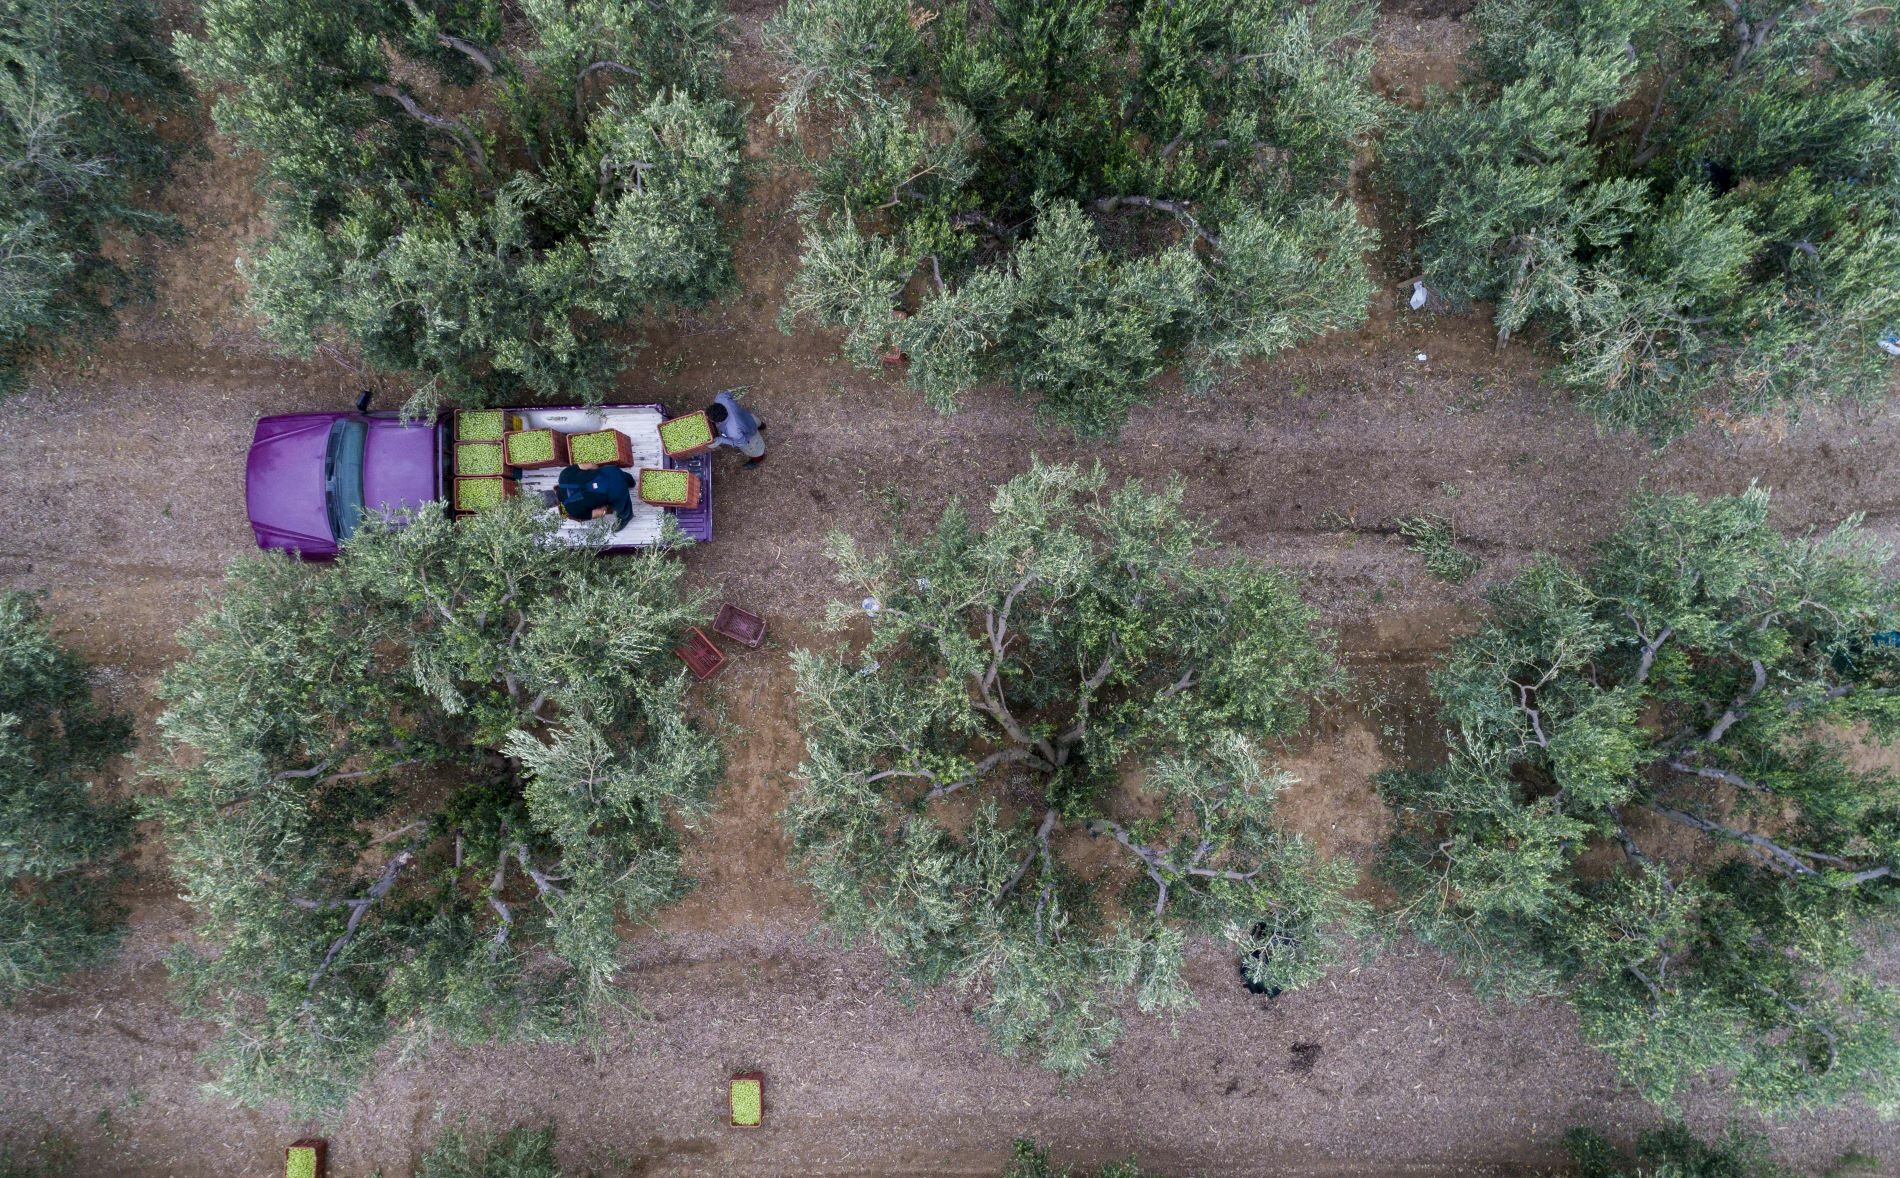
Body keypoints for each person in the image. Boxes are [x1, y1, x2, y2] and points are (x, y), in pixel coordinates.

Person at [552, 461, 635, 529]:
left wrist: (604, 507)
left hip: (617, 493)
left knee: (624, 511)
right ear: (552, 490)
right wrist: (598, 473)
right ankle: (631, 482)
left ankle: (627, 518)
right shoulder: (564, 474)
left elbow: (601, 512)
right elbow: (591, 465)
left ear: (555, 505)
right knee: (616, 475)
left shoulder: (573, 511)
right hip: (612, 471)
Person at [705, 389, 766, 468]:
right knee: (757, 422)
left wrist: (721, 440)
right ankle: (762, 426)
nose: (708, 419)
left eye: (710, 419)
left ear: (718, 421)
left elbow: (741, 443)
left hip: (749, 435)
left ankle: (758, 459)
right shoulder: (721, 398)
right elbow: (729, 394)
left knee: (756, 451)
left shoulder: (733, 432)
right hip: (748, 417)